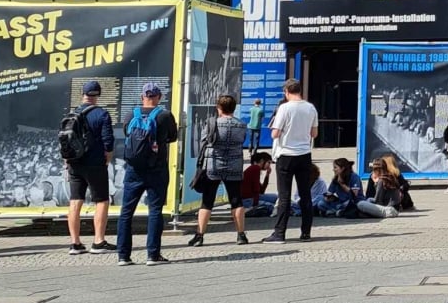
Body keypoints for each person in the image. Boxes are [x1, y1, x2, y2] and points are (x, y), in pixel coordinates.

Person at [116, 82, 179, 266]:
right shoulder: (165, 115)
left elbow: (127, 132)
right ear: (158, 97)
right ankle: (153, 255)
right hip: (157, 168)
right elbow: (173, 137)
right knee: (155, 210)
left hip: (134, 169)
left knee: (126, 211)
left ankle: (123, 256)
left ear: (142, 97)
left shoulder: (130, 114)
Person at [188, 94, 251, 247]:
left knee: (207, 201)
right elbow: (242, 140)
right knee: (236, 200)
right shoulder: (242, 125)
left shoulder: (212, 123)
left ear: (219, 108)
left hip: (213, 165)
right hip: (234, 165)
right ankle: (241, 235)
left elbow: (204, 141)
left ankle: (200, 235)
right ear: (234, 108)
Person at [263, 79, 318, 244]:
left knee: (284, 196)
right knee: (305, 194)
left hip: (286, 154)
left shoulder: (284, 108)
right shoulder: (310, 108)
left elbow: (275, 134)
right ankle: (306, 233)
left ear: (286, 91)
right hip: (304, 154)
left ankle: (279, 233)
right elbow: (314, 133)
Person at [65, 80, 116, 255]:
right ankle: (98, 241)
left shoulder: (72, 114)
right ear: (98, 95)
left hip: (74, 163)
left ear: (83, 94)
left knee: (75, 201)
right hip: (94, 163)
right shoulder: (102, 114)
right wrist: (107, 158)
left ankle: (75, 243)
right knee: (101, 200)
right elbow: (108, 141)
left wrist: (67, 159)